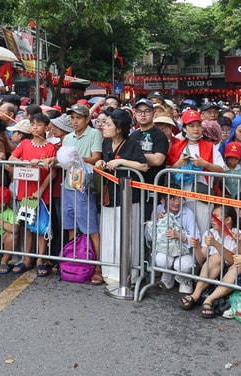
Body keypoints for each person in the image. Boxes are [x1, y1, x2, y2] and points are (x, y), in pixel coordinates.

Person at [96, 109, 148, 284]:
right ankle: (109, 272)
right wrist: (101, 163)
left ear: (119, 128)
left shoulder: (131, 144)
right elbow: (104, 161)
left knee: (125, 235)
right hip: (109, 195)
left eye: (108, 124)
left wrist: (121, 161)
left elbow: (143, 166)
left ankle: (126, 275)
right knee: (109, 233)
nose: (104, 127)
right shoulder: (105, 143)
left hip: (127, 197)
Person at [8, 112, 56, 276]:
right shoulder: (25, 144)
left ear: (46, 127)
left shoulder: (50, 148)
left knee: (42, 228)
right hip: (25, 192)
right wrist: (25, 163)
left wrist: (41, 190)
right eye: (33, 124)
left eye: (39, 125)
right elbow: (12, 158)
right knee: (27, 227)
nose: (35, 127)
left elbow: (53, 173)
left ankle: (40, 260)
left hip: (41, 193)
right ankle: (27, 259)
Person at [61, 103, 104, 284]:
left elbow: (96, 157)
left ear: (87, 119)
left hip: (84, 185)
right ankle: (73, 260)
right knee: (71, 226)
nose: (74, 121)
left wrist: (78, 157)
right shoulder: (68, 137)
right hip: (68, 185)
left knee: (91, 228)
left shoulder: (94, 134)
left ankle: (97, 267)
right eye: (72, 118)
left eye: (78, 118)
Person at [146, 187, 199, 293]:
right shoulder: (158, 210)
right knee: (161, 259)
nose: (177, 203)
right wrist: (154, 222)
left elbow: (196, 236)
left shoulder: (188, 213)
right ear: (163, 200)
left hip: (184, 251)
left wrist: (179, 236)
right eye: (172, 199)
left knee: (183, 264)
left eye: (180, 199)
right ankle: (168, 275)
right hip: (165, 249)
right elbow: (148, 237)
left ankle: (185, 280)